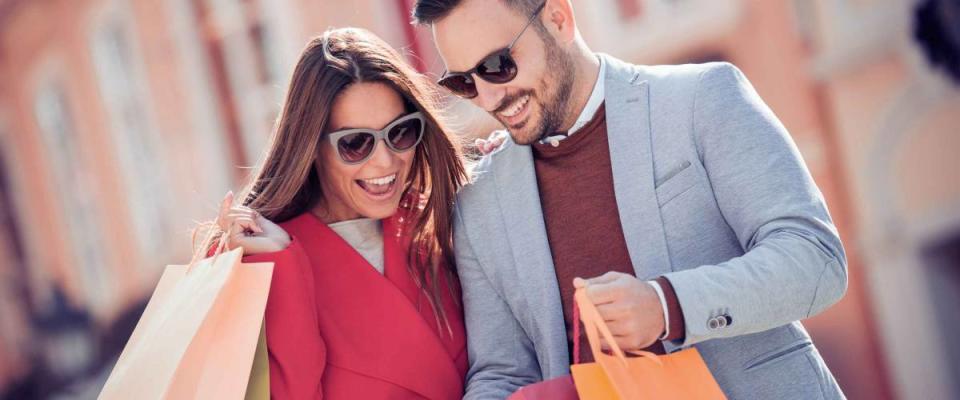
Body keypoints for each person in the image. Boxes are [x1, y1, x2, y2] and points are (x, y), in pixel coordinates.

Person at [412, 0, 849, 399]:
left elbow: (814, 260)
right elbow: (502, 372)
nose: (487, 98)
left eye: (497, 65)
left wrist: (667, 306)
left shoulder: (701, 98)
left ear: (558, 19)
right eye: (463, 82)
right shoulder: (478, 203)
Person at [209, 27, 469, 399]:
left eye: (401, 132)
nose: (385, 160)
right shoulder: (261, 265)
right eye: (355, 143)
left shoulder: (438, 225)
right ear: (311, 147)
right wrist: (284, 266)